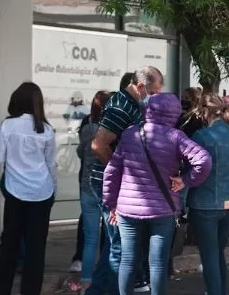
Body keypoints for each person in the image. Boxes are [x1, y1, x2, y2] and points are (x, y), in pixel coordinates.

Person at [102, 93, 211, 295]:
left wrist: (111, 204)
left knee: (128, 259)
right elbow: (203, 161)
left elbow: (112, 171)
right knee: (158, 263)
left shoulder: (129, 134)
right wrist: (186, 180)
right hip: (163, 209)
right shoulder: (176, 136)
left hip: (128, 209)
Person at [87, 66, 164, 295]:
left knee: (116, 245)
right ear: (140, 87)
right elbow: (98, 145)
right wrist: (119, 172)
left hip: (117, 183)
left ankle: (98, 291)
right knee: (121, 247)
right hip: (110, 183)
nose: (156, 97)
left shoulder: (130, 104)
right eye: (154, 92)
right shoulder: (121, 107)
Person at [0, 82, 57, 295]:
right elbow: (51, 164)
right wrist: (53, 189)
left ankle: (0, 290)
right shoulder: (46, 130)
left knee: (9, 243)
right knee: (36, 249)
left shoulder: (8, 126)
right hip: (42, 192)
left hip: (15, 191)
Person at [188, 95, 229, 295]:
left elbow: (191, 171)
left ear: (206, 112)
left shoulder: (202, 136)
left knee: (209, 254)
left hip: (206, 203)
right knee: (217, 252)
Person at [75, 90, 112, 291]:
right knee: (110, 237)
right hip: (106, 189)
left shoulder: (88, 128)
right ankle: (104, 278)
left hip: (87, 187)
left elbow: (81, 152)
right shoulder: (113, 131)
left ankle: (86, 281)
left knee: (90, 238)